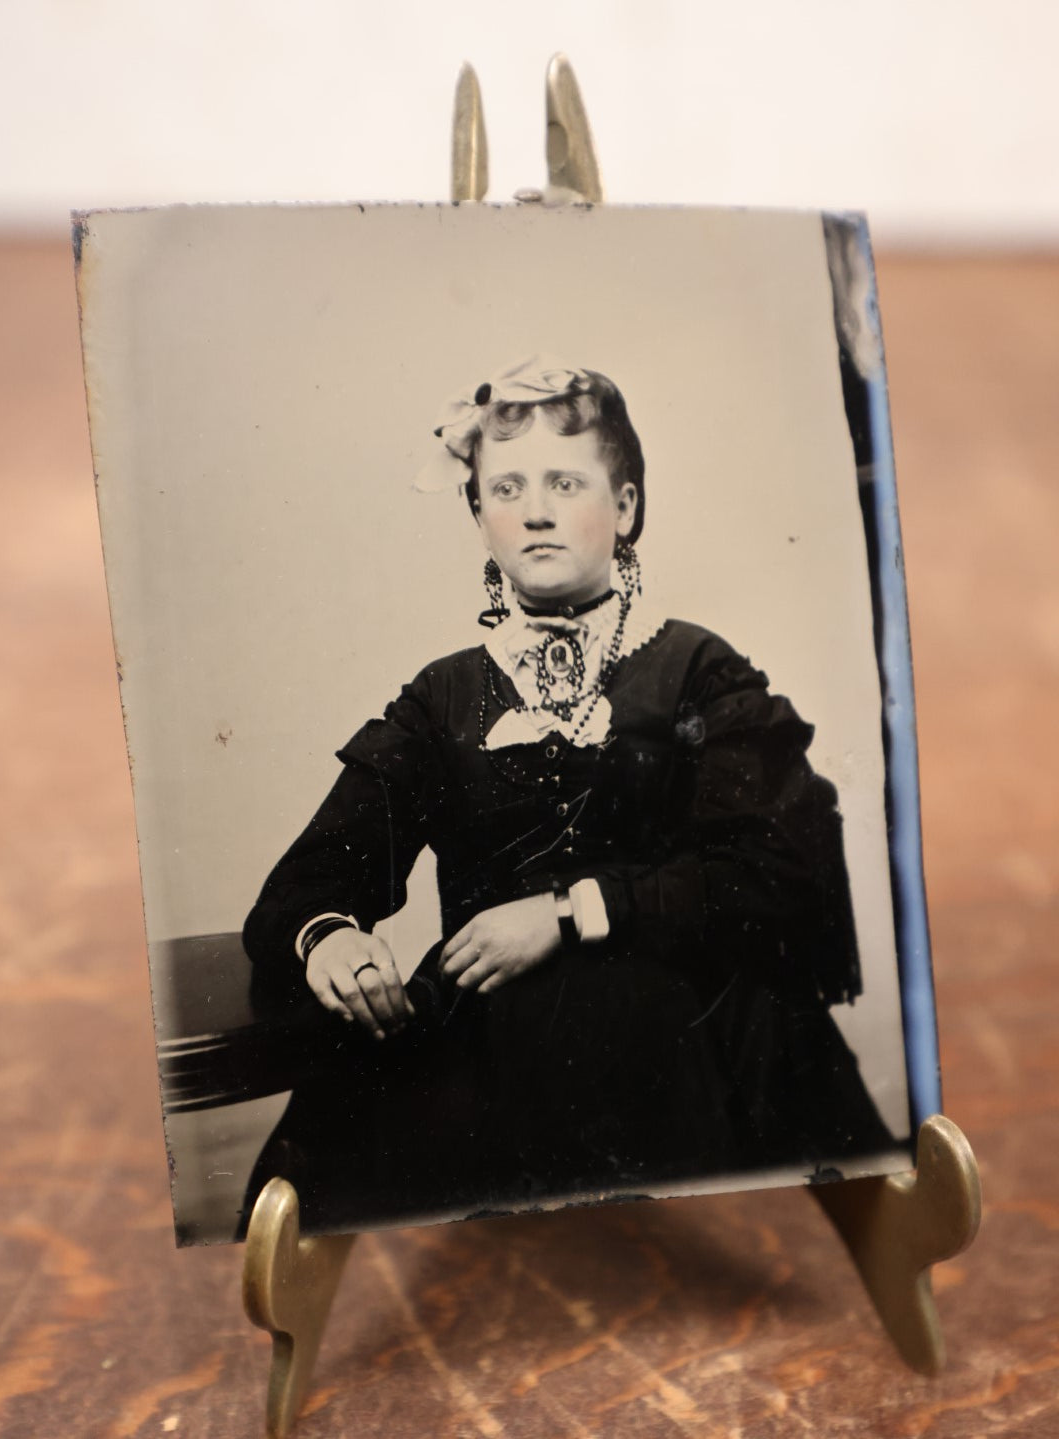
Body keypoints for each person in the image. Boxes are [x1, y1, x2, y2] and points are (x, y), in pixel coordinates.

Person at [239, 357, 894, 1236]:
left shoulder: (696, 670)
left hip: (689, 1044)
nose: (535, 509)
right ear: (478, 515)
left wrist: (568, 911)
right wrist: (331, 938)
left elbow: (782, 876)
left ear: (623, 508)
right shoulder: (445, 697)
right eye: (505, 486)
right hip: (491, 1055)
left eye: (565, 481)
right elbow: (312, 878)